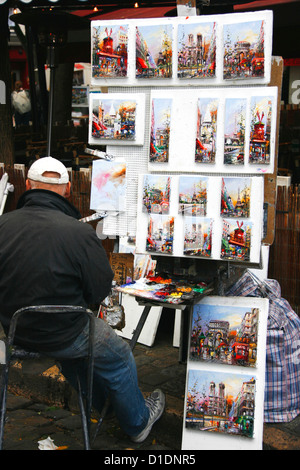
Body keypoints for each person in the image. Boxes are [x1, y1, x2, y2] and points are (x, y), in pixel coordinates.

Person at [0, 156, 165, 443]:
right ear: (67, 189)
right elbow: (99, 290)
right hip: (66, 332)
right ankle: (138, 423)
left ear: (27, 185)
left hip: (17, 335)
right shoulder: (77, 232)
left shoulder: (2, 225)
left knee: (75, 359)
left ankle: (103, 405)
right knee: (119, 357)